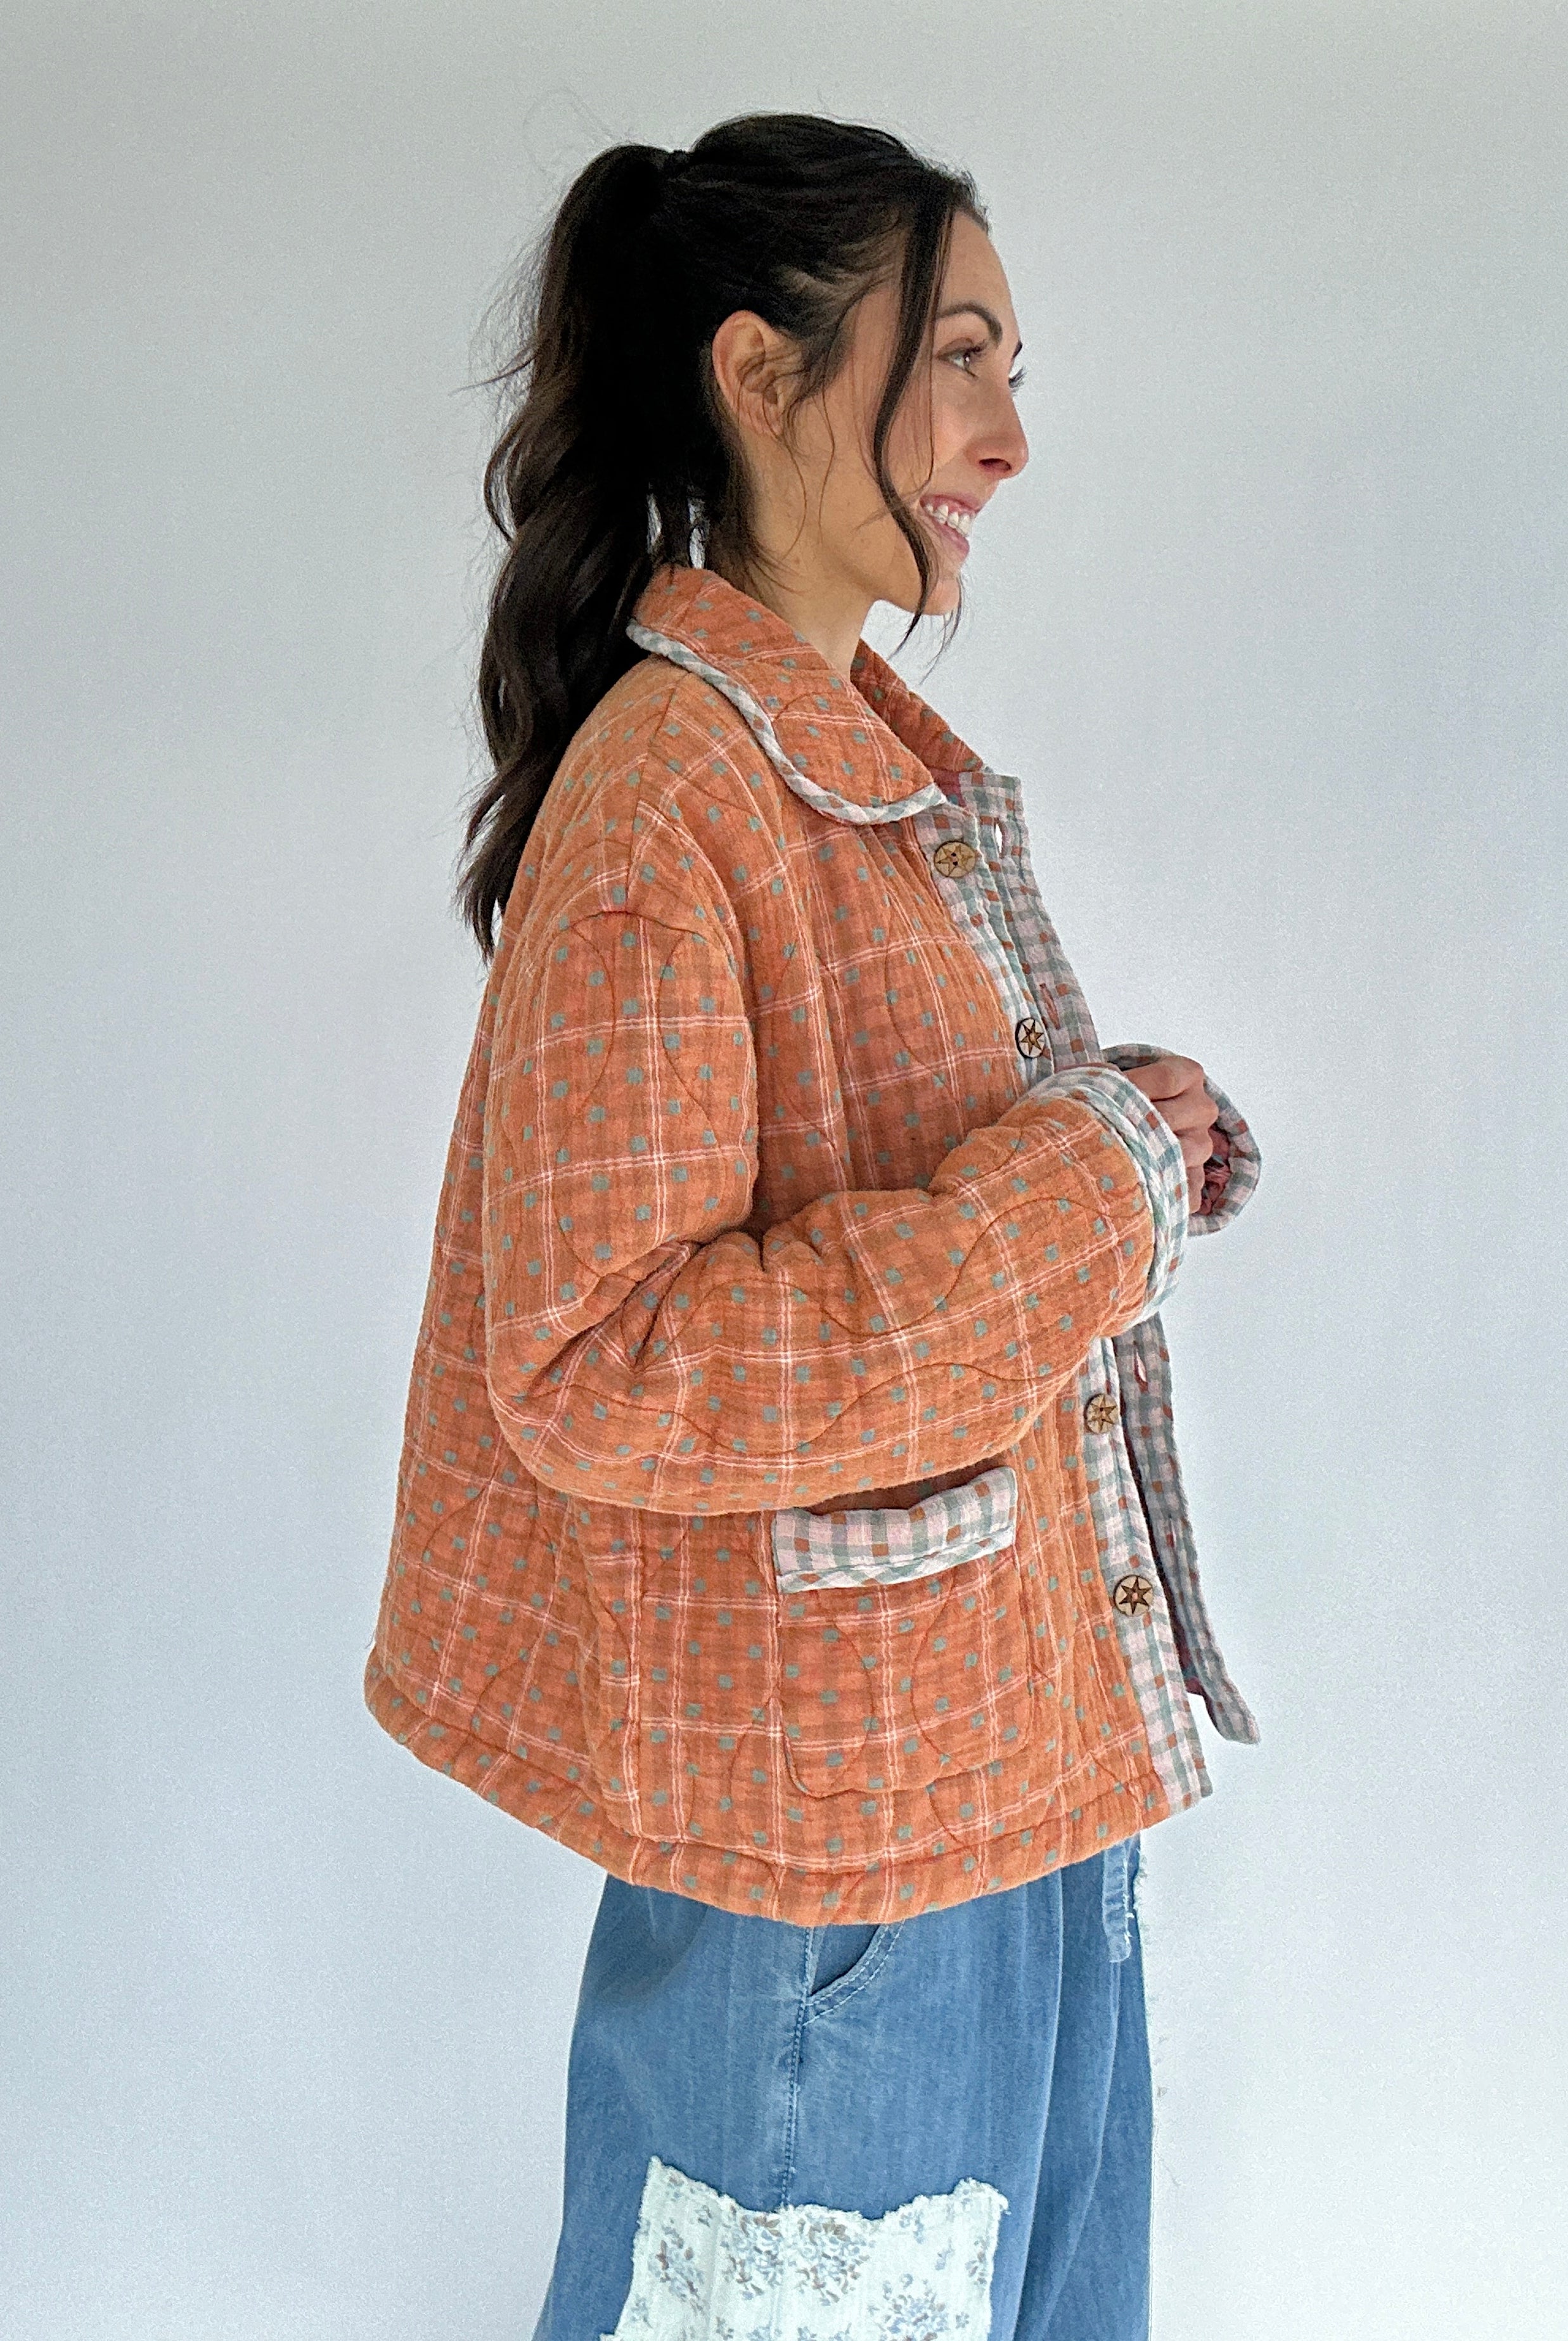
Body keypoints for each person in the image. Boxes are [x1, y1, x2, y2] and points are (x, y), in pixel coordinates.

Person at [363, 112, 1262, 2340]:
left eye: (1013, 368)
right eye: (958, 357)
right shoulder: (676, 792)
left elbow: (880, 1200)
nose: (1006, 438)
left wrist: (1117, 1149)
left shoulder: (836, 770)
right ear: (763, 378)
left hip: (992, 1796)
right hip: (840, 1859)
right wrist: (1082, 1195)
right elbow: (601, 1356)